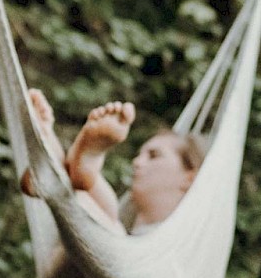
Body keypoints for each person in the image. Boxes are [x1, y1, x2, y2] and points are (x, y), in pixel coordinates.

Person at [24, 90, 204, 231]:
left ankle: (55, 166)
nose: (137, 162)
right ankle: (62, 162)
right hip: (116, 245)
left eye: (154, 155)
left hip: (130, 256)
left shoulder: (187, 246)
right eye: (140, 155)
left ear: (189, 179)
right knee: (108, 212)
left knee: (111, 224)